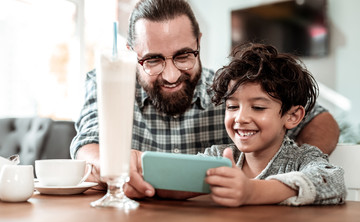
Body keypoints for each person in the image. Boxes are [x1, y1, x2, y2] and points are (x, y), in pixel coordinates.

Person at [70, 0, 340, 196]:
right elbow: (88, 144)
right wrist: (116, 167)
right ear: (132, 53)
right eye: (152, 60)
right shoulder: (109, 80)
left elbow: (321, 121)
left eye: (184, 55)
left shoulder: (232, 87)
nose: (172, 74)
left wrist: (275, 176)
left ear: (199, 42)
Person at [203, 43, 346, 206]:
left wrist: (252, 191)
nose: (240, 118)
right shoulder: (218, 157)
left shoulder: (301, 159)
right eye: (232, 107)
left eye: (258, 108)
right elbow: (177, 178)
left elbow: (333, 181)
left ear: (292, 116)